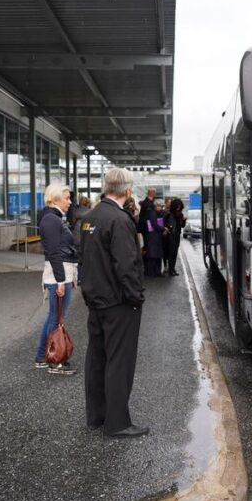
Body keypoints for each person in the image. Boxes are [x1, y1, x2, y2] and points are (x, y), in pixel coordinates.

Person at [80, 168, 147, 438]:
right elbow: (126, 265)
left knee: (97, 359)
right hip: (118, 302)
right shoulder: (120, 220)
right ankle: (117, 423)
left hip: (95, 300)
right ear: (128, 191)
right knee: (119, 362)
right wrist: (136, 296)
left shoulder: (90, 216)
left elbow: (85, 257)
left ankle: (96, 417)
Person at [35, 183, 79, 375]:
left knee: (53, 316)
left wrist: (71, 276)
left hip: (61, 274)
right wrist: (62, 281)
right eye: (67, 197)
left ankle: (42, 357)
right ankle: (54, 361)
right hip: (57, 276)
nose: (70, 201)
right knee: (56, 318)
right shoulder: (52, 220)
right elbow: (53, 252)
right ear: (54, 198)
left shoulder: (53, 218)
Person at [142, 199, 166, 276]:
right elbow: (155, 225)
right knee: (153, 256)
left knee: (156, 255)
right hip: (153, 237)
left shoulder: (155, 213)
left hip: (155, 236)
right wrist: (163, 228)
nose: (161, 208)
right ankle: (152, 272)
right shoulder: (152, 213)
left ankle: (156, 272)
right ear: (156, 206)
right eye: (160, 206)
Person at [164, 198, 185, 276]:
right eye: (177, 206)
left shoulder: (180, 214)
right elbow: (166, 224)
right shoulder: (169, 214)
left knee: (175, 252)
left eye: (179, 206)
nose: (178, 207)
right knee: (171, 253)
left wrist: (184, 220)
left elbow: (182, 226)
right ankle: (170, 270)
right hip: (171, 236)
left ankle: (172, 269)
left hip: (177, 235)